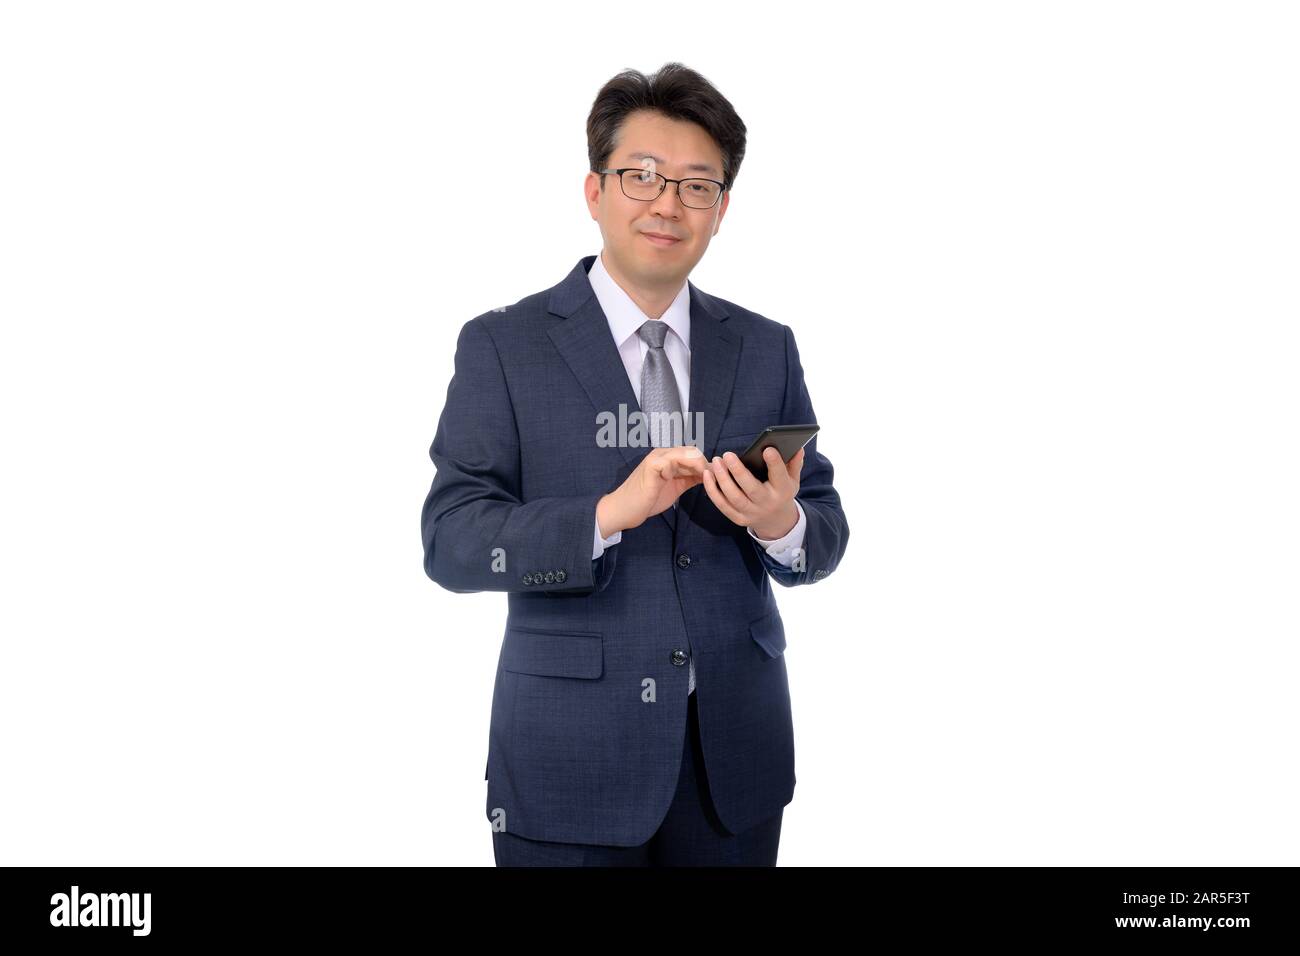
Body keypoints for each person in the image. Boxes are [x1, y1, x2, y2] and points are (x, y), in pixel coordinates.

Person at [420, 62, 849, 866]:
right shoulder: (503, 346)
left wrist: (779, 521)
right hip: (569, 760)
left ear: (721, 211)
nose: (667, 203)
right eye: (642, 176)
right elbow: (450, 541)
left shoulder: (765, 346)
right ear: (595, 191)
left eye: (696, 186)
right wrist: (606, 515)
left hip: (735, 761)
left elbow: (823, 531)